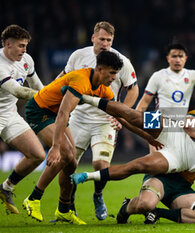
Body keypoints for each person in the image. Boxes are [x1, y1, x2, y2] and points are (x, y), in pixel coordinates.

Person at [71, 95, 195, 222]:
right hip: (170, 129)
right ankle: (89, 99)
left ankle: (155, 213)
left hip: (180, 177)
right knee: (135, 119)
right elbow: (191, 127)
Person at [22, 50, 123, 225]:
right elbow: (63, 112)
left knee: (72, 162)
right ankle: (33, 198)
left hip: (57, 115)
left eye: (116, 73)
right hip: (39, 111)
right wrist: (54, 147)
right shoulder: (80, 80)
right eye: (112, 72)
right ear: (99, 69)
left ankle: (64, 210)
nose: (114, 77)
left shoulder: (103, 89)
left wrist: (120, 120)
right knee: (66, 153)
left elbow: (118, 111)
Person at [56, 21, 139, 220]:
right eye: (101, 39)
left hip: (104, 121)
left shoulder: (122, 61)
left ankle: (98, 194)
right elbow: (64, 78)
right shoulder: (78, 56)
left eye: (109, 40)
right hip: (77, 119)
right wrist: (47, 91)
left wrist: (121, 114)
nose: (105, 43)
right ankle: (67, 206)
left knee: (101, 166)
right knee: (68, 165)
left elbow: (133, 88)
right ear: (93, 38)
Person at [116, 97, 195, 224]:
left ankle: (157, 213)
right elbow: (188, 126)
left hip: (182, 185)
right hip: (162, 175)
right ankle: (126, 207)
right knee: (145, 204)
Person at [0, 25, 46, 214]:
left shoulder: (26, 60)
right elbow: (18, 91)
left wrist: (49, 98)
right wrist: (47, 97)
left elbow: (37, 86)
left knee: (38, 155)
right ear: (7, 44)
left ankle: (6, 188)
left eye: (26, 45)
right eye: (20, 46)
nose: (24, 50)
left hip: (9, 114)